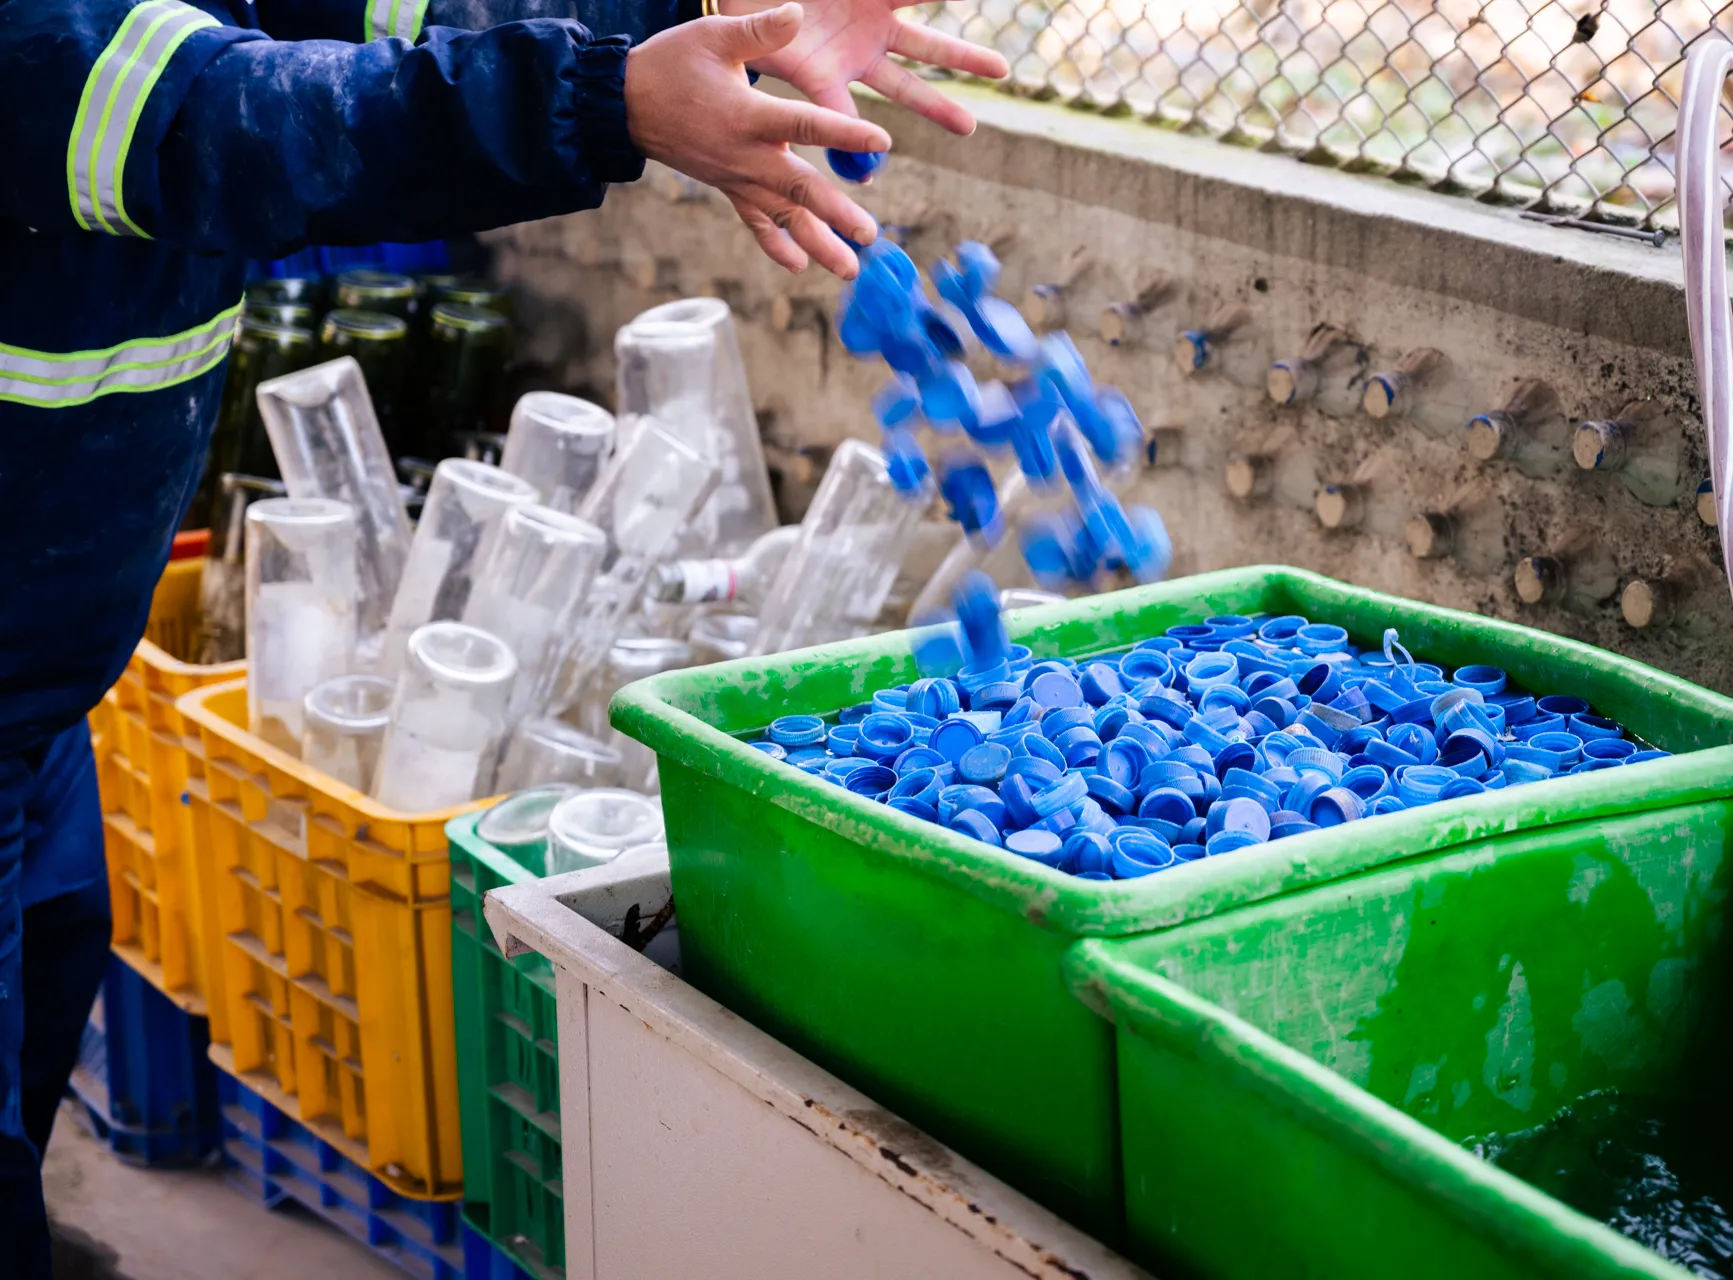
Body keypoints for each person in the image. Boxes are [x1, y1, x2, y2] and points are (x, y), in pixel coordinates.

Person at [0, 1, 1007, 1272]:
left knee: (45, 969)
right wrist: (605, 99)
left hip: (39, 661)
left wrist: (703, 21)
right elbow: (227, 125)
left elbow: (358, 13)